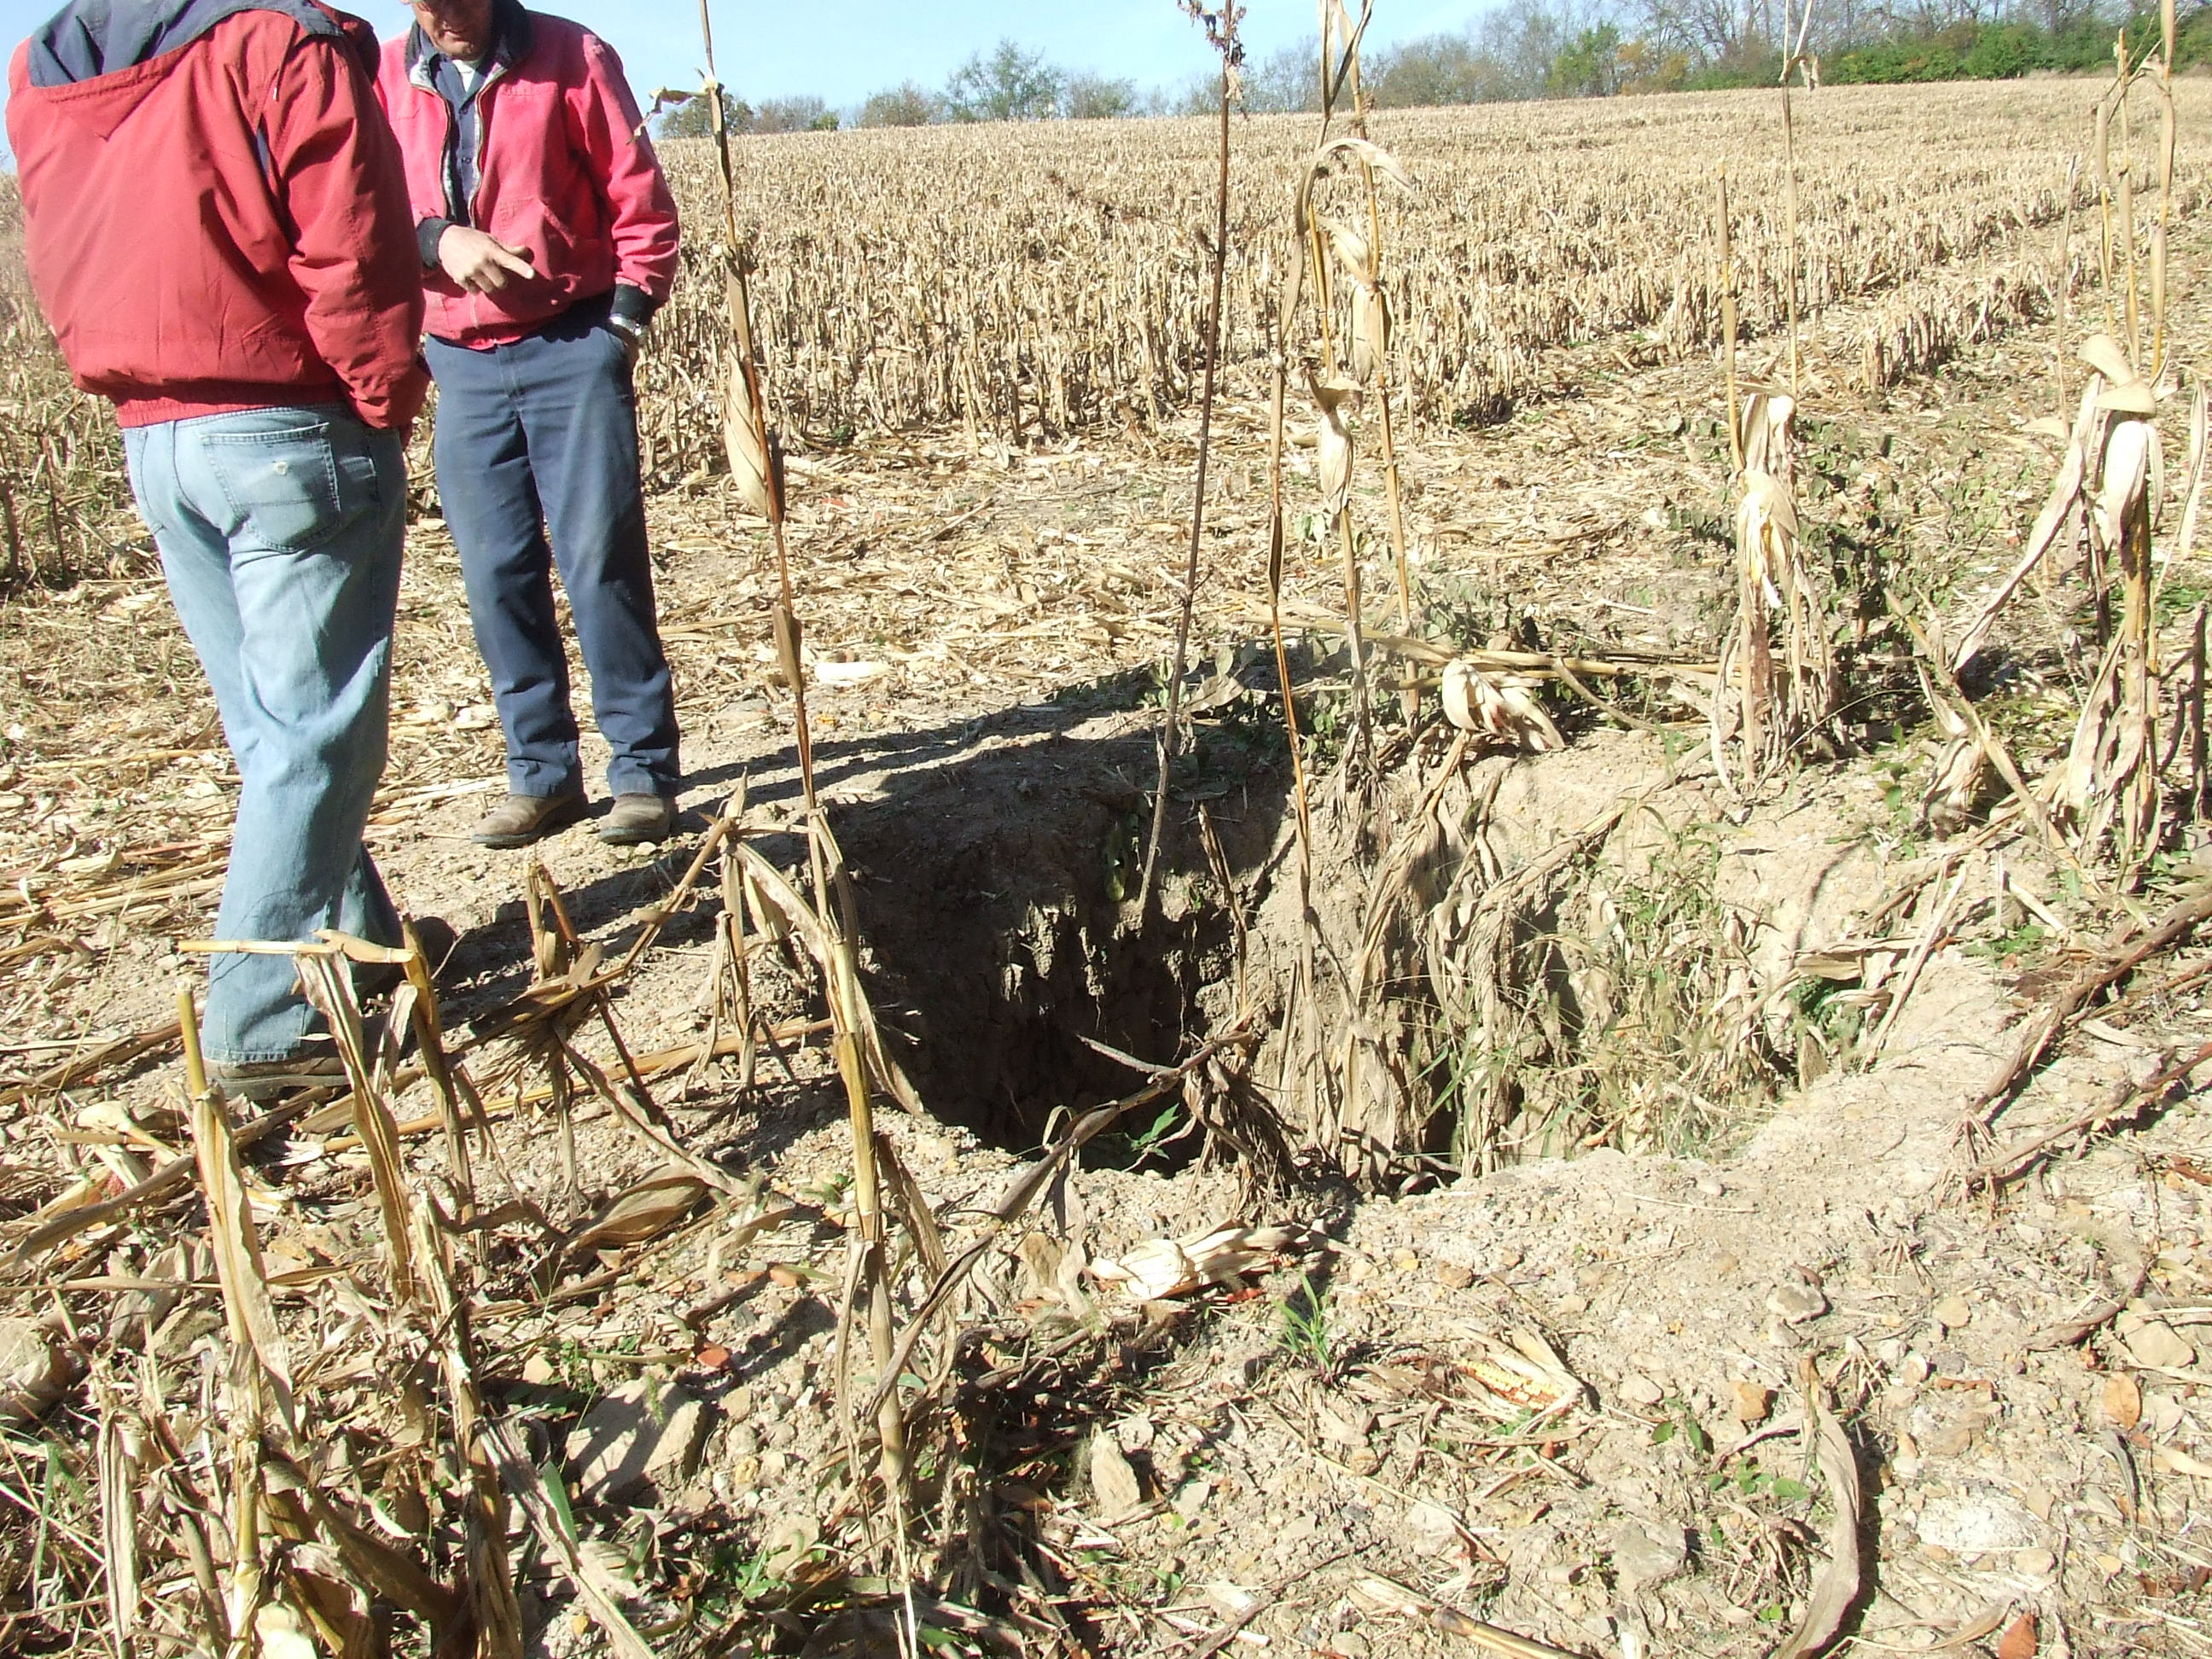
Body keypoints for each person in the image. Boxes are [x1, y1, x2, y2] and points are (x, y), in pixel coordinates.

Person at [9, 0, 439, 1097]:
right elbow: (354, 239)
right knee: (315, 741)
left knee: (270, 728)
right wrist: (382, 401)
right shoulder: (280, 43)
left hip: (153, 434)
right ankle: (258, 1034)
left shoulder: (49, 62)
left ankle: (365, 948)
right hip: (284, 424)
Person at [376, 0, 684, 848]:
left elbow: (642, 205)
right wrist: (438, 240)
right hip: (461, 363)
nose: (447, 19)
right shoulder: (382, 80)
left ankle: (644, 772)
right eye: (428, 6)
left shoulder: (573, 55)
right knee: (496, 572)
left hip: (571, 342)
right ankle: (543, 775)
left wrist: (617, 330)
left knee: (599, 560)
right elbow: (360, 215)